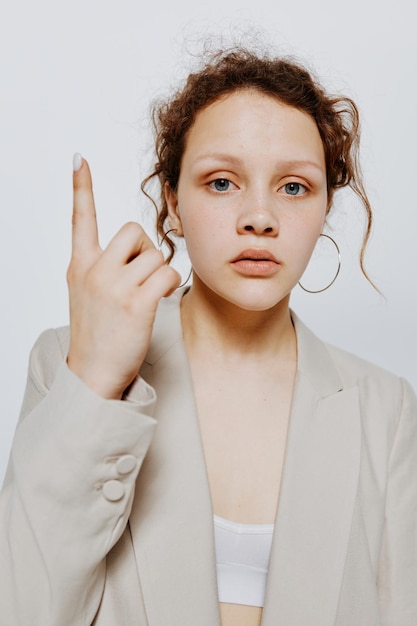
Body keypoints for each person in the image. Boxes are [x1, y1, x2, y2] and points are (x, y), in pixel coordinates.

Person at [1, 47, 416, 626]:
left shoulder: (387, 410)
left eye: (294, 187)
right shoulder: (67, 361)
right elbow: (23, 608)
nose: (259, 216)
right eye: (222, 182)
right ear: (172, 202)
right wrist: (94, 383)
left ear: (325, 210)